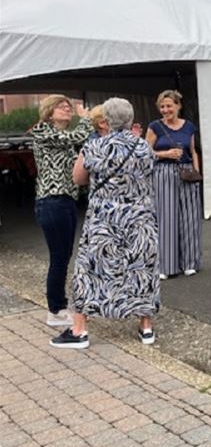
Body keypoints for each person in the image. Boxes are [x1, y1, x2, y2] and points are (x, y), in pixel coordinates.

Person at [49, 98, 160, 349]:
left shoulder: (94, 146)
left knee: (89, 269)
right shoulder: (143, 146)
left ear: (106, 119)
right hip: (139, 217)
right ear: (130, 119)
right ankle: (146, 327)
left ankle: (79, 331)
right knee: (141, 268)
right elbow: (149, 172)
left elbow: (78, 178)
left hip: (104, 218)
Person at [31, 95, 92, 328]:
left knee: (63, 257)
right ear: (49, 112)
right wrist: (85, 120)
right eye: (61, 106)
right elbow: (79, 135)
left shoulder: (63, 141)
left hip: (65, 201)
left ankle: (59, 306)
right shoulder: (42, 131)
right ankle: (55, 310)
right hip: (51, 202)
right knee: (58, 258)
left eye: (68, 106)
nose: (67, 109)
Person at [146, 90, 202, 280]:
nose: (165, 110)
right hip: (163, 172)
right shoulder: (154, 127)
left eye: (169, 105)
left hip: (186, 172)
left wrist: (196, 172)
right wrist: (165, 154)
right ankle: (166, 265)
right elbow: (145, 152)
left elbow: (193, 151)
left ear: (178, 106)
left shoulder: (189, 127)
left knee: (190, 217)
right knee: (166, 218)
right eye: (162, 106)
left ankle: (190, 262)